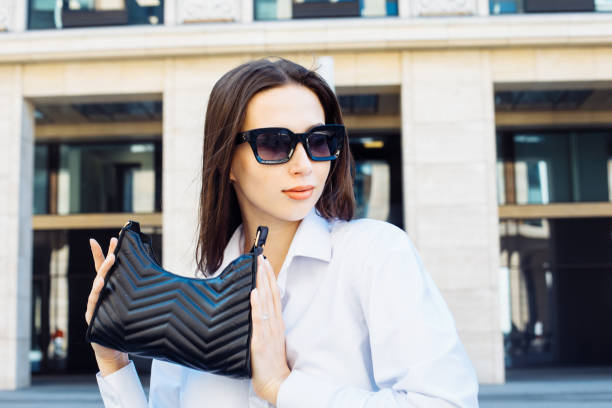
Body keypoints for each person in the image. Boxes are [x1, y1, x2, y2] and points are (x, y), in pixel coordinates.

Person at [85, 57, 479, 407]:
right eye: (275, 144)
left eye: (319, 141)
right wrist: (114, 360)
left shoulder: (375, 255)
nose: (304, 165)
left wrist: (283, 387)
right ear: (228, 163)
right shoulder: (198, 288)